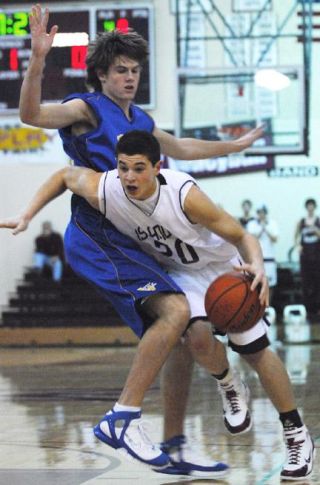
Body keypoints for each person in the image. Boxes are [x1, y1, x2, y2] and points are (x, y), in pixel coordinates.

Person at [17, 4, 265, 476]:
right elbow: (31, 115)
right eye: (120, 71)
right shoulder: (85, 109)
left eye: (134, 71)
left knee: (186, 334)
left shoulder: (140, 120)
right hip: (98, 233)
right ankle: (124, 417)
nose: (129, 78)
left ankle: (173, 446)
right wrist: (37, 60)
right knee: (173, 313)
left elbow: (181, 147)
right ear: (102, 75)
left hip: (138, 239)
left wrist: (231, 146)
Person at [0, 130, 315, 481]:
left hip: (221, 273)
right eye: (123, 168)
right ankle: (229, 384)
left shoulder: (185, 195)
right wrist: (27, 214)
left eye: (139, 169)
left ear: (157, 167)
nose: (130, 177)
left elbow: (242, 235)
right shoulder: (109, 188)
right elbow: (65, 175)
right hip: (180, 274)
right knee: (195, 337)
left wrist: (256, 264)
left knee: (255, 350)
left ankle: (296, 433)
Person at [246, 204, 278, 304]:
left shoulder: (272, 223)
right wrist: (261, 229)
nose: (261, 214)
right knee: (256, 283)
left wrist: (266, 228)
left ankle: (268, 306)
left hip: (269, 259)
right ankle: (257, 308)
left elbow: (275, 238)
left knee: (270, 284)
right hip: (256, 260)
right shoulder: (252, 224)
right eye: (259, 212)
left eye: (263, 212)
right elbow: (250, 238)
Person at [294, 198, 320, 316]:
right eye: (308, 205)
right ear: (306, 207)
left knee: (317, 282)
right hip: (305, 257)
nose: (310, 207)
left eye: (312, 205)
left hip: (317, 256)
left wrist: (316, 231)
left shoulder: (318, 221)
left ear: (315, 207)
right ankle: (308, 308)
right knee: (306, 282)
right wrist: (298, 245)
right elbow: (296, 236)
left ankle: (317, 308)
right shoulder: (301, 221)